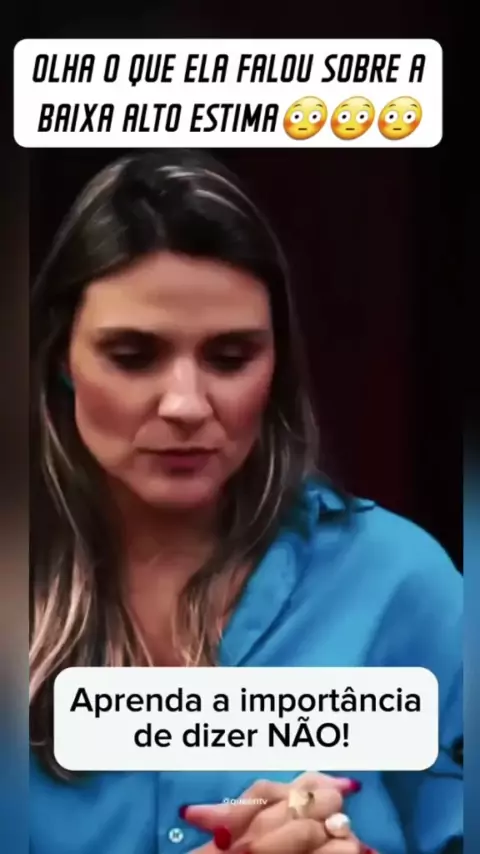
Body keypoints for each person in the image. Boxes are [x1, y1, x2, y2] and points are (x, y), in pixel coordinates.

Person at [30, 149, 462, 854]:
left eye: (230, 358)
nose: (185, 404)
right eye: (133, 356)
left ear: (276, 366)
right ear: (60, 360)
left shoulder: (399, 583)